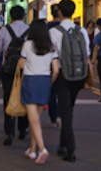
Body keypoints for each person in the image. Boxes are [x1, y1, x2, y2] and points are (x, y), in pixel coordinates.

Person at [50, 0, 90, 162]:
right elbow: (86, 54)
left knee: (65, 112)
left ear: (59, 12)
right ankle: (62, 145)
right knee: (69, 109)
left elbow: (52, 55)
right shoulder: (82, 31)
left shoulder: (54, 32)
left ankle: (70, 150)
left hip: (62, 75)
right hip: (79, 75)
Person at [19, 19, 60, 164]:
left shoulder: (27, 45)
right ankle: (32, 150)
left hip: (30, 80)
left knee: (32, 118)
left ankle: (42, 149)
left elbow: (21, 65)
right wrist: (50, 82)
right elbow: (55, 70)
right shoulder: (51, 46)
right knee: (36, 118)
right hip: (45, 81)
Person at [0, 5, 29, 145]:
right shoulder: (29, 30)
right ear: (23, 16)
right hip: (25, 69)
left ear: (11, 17)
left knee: (8, 98)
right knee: (24, 98)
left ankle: (9, 131)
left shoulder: (4, 30)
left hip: (8, 70)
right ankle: (23, 128)